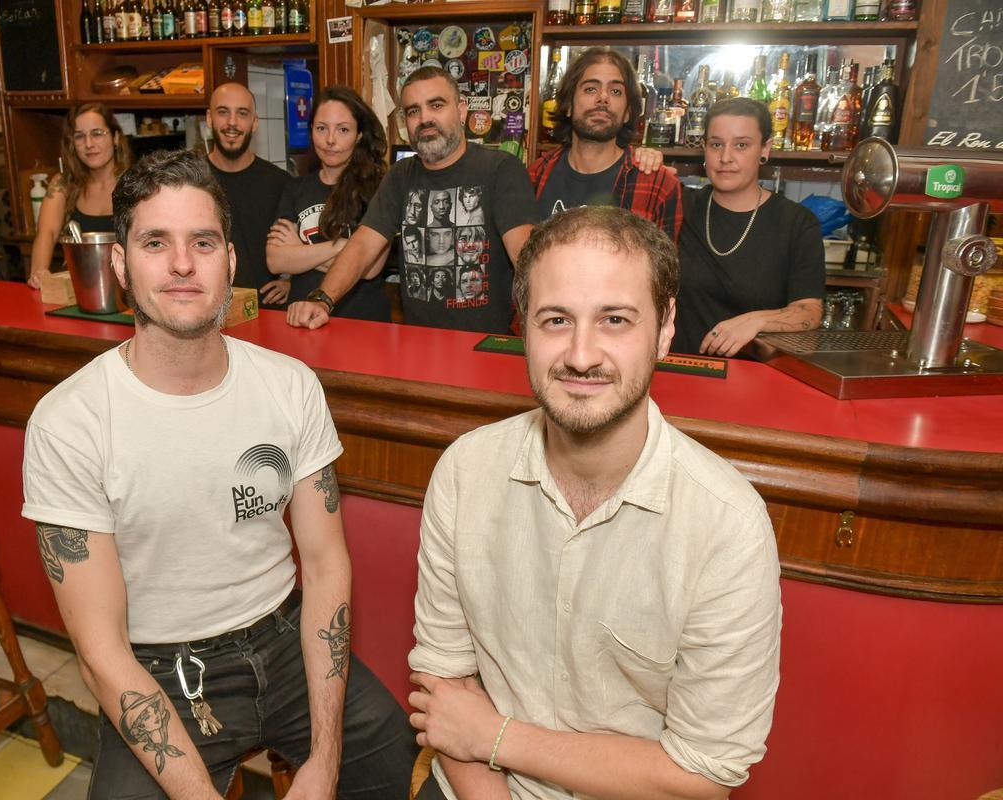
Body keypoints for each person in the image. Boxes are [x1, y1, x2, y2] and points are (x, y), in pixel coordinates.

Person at [22, 149, 416, 799]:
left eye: (202, 242)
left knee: (394, 763)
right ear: (120, 262)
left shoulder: (289, 387)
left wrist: (323, 758)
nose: (182, 264)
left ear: (230, 263)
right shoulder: (70, 422)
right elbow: (100, 651)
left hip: (287, 637)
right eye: (156, 242)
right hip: (156, 667)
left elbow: (324, 566)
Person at [407, 205, 782, 800]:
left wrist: (498, 737)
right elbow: (443, 679)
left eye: (615, 319)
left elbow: (704, 775)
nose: (582, 355)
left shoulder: (726, 525)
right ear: (522, 326)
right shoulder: (465, 471)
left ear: (664, 329)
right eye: (556, 319)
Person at [287, 67, 539, 334]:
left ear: (461, 110)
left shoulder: (500, 169)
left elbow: (525, 256)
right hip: (419, 342)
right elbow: (363, 245)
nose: (424, 119)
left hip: (483, 345)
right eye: (413, 111)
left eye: (436, 105)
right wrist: (323, 299)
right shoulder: (401, 175)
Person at [673, 98, 824, 356]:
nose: (725, 157)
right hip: (682, 372)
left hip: (757, 380)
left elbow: (809, 312)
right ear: (704, 149)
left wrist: (757, 321)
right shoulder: (681, 205)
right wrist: (646, 158)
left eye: (741, 145)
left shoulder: (796, 222)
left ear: (765, 149)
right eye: (716, 144)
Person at [528, 48, 683, 241]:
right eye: (590, 89)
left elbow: (665, 269)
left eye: (616, 91)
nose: (603, 98)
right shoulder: (534, 176)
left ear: (628, 112)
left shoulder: (657, 185)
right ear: (568, 106)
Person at [266, 85, 391, 322]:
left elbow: (370, 268)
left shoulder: (378, 188)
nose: (330, 140)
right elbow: (275, 260)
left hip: (362, 322)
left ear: (359, 135)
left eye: (343, 130)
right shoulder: (295, 188)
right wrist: (343, 246)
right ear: (311, 130)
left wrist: (300, 253)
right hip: (301, 319)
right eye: (322, 128)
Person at [205, 82, 292, 310]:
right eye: (223, 112)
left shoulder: (281, 183)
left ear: (254, 123)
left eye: (242, 114)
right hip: (205, 315)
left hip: (267, 315)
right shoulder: (189, 181)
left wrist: (291, 282)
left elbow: (300, 247)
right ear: (209, 119)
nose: (232, 122)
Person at [27, 103, 132, 289]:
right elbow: (47, 233)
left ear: (115, 138)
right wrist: (38, 272)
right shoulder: (63, 184)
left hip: (129, 289)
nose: (89, 144)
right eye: (80, 136)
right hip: (83, 288)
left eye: (97, 133)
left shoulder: (136, 183)